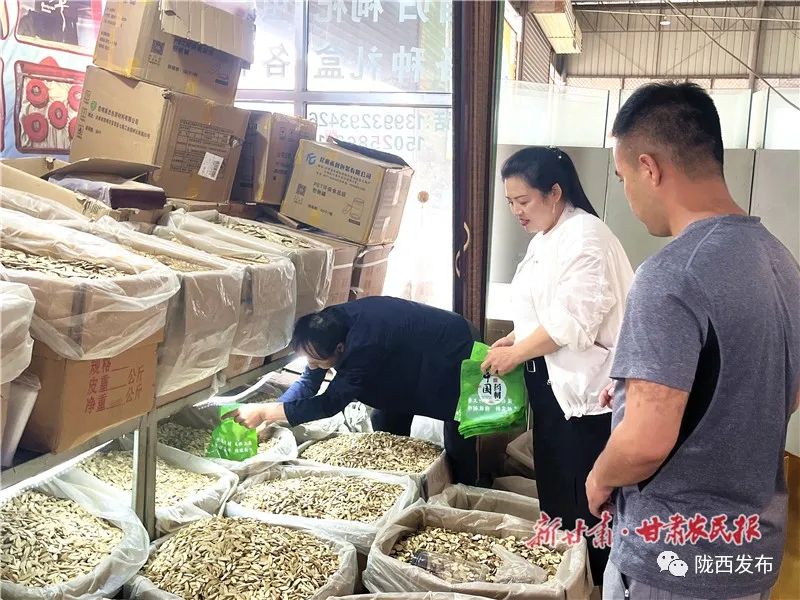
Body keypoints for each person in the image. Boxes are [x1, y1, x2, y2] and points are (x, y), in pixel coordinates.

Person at [587, 82, 800, 600]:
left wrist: (599, 476)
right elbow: (783, 391)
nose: (629, 197)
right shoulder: (781, 262)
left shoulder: (672, 272)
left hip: (674, 560)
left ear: (650, 168)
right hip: (750, 552)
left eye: (623, 178)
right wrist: (649, 392)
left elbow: (645, 443)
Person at [481, 146, 634, 585]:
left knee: (586, 498)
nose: (516, 211)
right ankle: (566, 578)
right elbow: (545, 308)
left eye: (523, 200)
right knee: (556, 489)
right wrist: (516, 337)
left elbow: (574, 320)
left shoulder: (586, 236)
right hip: (553, 392)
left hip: (589, 399)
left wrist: (516, 353)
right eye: (510, 202)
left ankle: (596, 583)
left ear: (554, 192)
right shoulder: (546, 235)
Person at [232, 296, 480, 484]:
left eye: (318, 361)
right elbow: (309, 382)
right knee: (386, 419)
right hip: (405, 354)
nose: (312, 365)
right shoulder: (325, 328)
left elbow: (330, 403)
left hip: (453, 349)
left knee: (458, 424)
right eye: (308, 359)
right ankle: (405, 482)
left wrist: (266, 412)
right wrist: (275, 412)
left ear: (341, 349)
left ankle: (466, 490)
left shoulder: (363, 345)